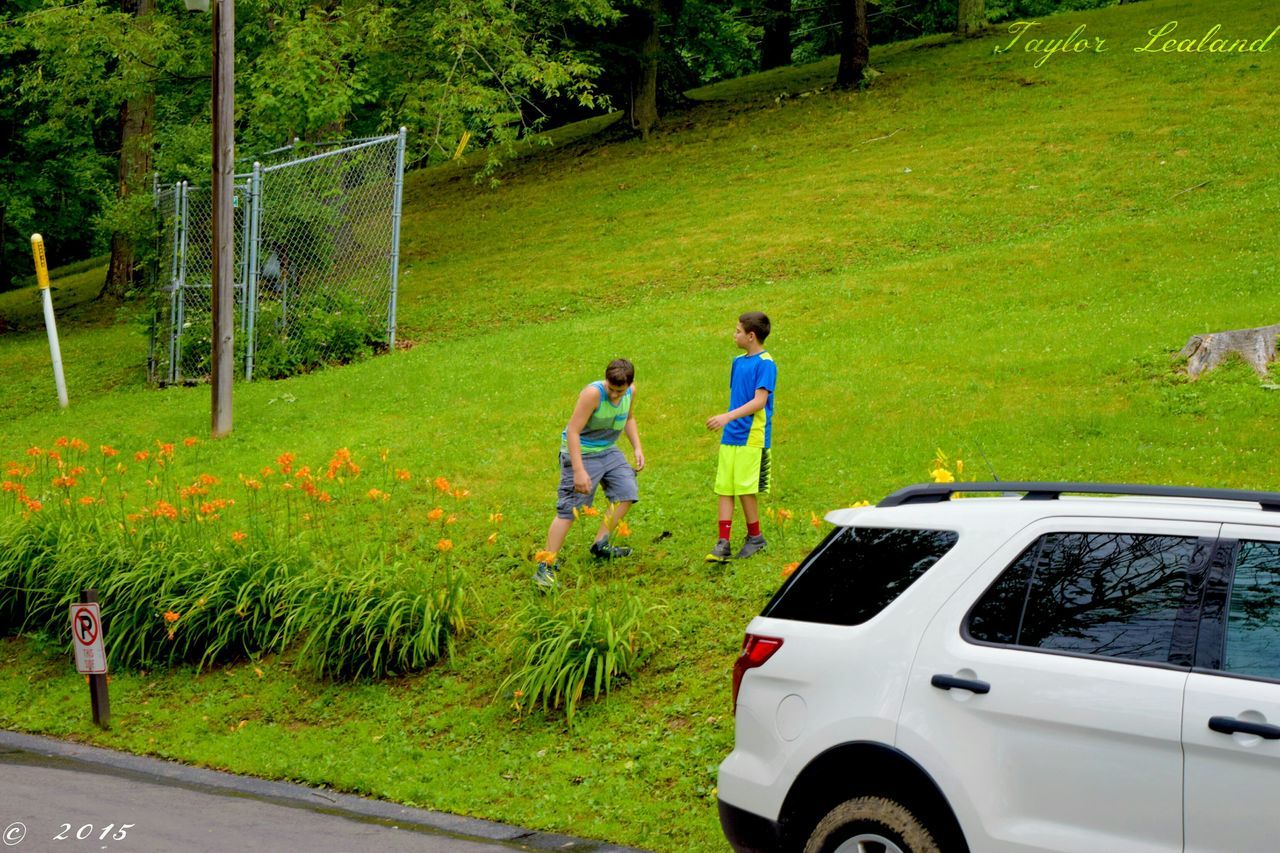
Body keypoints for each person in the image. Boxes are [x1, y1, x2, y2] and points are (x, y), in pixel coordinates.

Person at [535, 359, 645, 589]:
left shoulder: (630, 392)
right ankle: (546, 565)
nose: (615, 396)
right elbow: (573, 431)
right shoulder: (592, 394)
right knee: (570, 509)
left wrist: (637, 447)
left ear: (629, 385)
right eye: (612, 390)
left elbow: (629, 418)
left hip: (608, 451)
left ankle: (600, 544)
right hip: (581, 453)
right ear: (606, 381)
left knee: (627, 492)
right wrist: (578, 470)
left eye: (620, 391)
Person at [705, 312, 777, 561]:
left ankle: (755, 537)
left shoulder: (766, 363)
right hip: (731, 435)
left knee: (746, 489)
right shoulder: (738, 361)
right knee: (725, 487)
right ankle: (723, 542)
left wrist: (726, 417)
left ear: (751, 336)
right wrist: (729, 423)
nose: (733, 334)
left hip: (751, 436)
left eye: (737, 331)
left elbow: (759, 402)